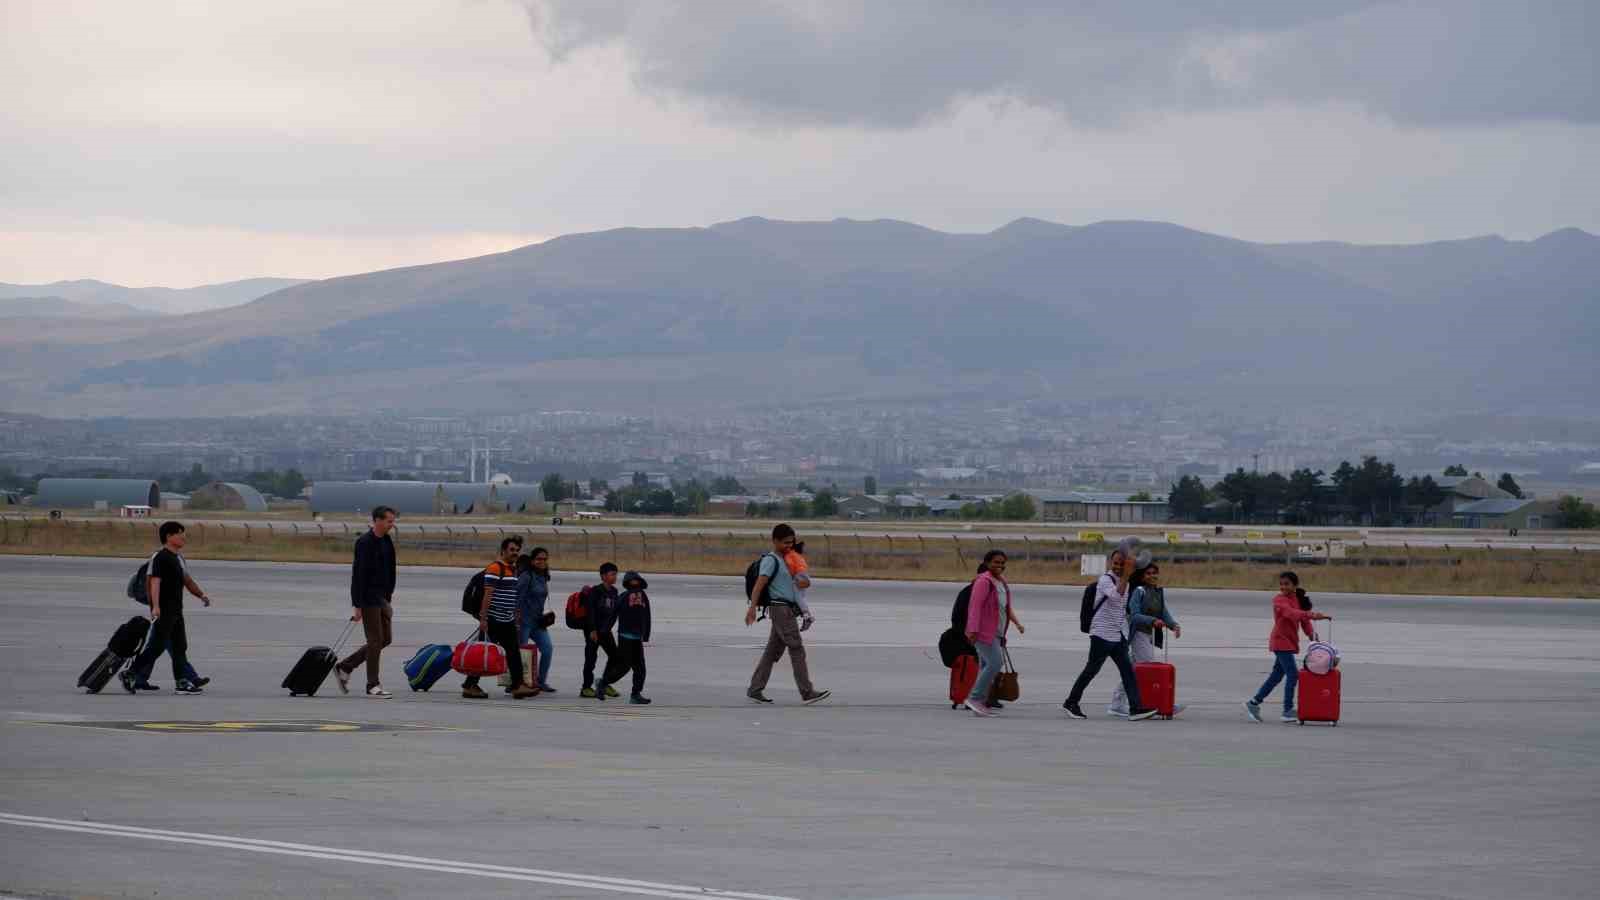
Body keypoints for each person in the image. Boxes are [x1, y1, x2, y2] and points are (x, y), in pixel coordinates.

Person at [1063, 538, 1158, 721]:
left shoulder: (1126, 582)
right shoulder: (1105, 580)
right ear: (1110, 563)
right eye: (1115, 563)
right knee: (1091, 670)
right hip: (1101, 634)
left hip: (1116, 636)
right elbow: (1115, 597)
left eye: (1122, 564)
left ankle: (1136, 708)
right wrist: (1126, 575)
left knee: (1128, 672)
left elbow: (1122, 607)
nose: (1118, 567)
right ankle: (1071, 702)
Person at [122, 521, 212, 695]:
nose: (183, 537)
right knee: (157, 646)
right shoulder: (161, 557)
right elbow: (154, 582)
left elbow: (187, 580)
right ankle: (131, 673)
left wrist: (201, 595)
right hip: (164, 610)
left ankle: (181, 682)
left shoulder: (177, 558)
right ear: (169, 536)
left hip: (176, 609)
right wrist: (155, 606)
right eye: (180, 533)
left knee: (180, 646)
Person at [746, 524, 830, 704]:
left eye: (791, 542)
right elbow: (759, 585)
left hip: (786, 609)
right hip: (780, 609)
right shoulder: (771, 560)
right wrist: (752, 608)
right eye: (785, 542)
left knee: (771, 652)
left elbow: (793, 584)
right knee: (796, 648)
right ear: (774, 540)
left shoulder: (787, 559)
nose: (789, 546)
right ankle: (807, 691)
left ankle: (755, 689)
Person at [1245, 571, 1331, 723]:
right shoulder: (1279, 600)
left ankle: (1253, 703)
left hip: (1289, 642)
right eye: (1281, 584)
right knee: (1293, 674)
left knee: (1277, 676)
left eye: (1287, 584)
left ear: (1295, 585)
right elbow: (1291, 613)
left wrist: (1312, 635)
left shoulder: (1296, 599)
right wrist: (1312, 614)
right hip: (1280, 641)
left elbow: (1304, 621)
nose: (1283, 587)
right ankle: (1287, 710)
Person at [335, 505, 397, 698]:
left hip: (382, 598)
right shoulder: (365, 542)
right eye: (389, 521)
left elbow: (391, 570)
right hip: (368, 598)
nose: (392, 525)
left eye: (393, 521)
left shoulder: (387, 541)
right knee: (375, 640)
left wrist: (388, 598)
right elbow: (358, 575)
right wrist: (358, 604)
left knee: (385, 639)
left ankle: (345, 666)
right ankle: (373, 684)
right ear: (377, 520)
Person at [1109, 561, 1184, 718]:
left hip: (1148, 634)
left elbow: (1163, 612)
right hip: (1138, 634)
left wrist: (1174, 625)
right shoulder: (1139, 591)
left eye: (1154, 573)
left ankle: (1117, 703)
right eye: (1148, 573)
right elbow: (1134, 615)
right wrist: (1152, 621)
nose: (1152, 576)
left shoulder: (1157, 592)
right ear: (1142, 576)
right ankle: (1153, 704)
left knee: (1133, 670)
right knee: (1148, 669)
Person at [463, 537, 536, 700]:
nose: (515, 553)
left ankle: (518, 686)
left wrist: (515, 614)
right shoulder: (495, 568)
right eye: (512, 550)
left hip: (507, 620)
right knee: (485, 653)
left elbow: (511, 594)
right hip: (494, 620)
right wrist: (483, 619)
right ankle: (469, 686)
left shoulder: (513, 569)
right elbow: (488, 595)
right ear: (503, 551)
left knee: (513, 653)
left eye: (517, 550)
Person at [963, 550, 1025, 717]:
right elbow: (974, 607)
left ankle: (980, 703)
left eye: (1002, 563)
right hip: (982, 632)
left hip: (997, 632)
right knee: (995, 663)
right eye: (996, 562)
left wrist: (1017, 623)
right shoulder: (983, 582)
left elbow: (1005, 607)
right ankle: (975, 698)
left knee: (985, 666)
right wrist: (973, 630)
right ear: (987, 563)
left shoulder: (1001, 582)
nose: (1000, 566)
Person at [596, 570, 652, 704]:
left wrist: (646, 635)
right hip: (625, 637)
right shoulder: (624, 596)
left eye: (637, 580)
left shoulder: (643, 595)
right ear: (627, 583)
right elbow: (613, 614)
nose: (635, 583)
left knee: (640, 667)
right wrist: (604, 630)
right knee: (624, 667)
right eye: (632, 581)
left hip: (637, 638)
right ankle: (603, 683)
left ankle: (635, 694)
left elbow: (647, 616)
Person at [516, 547, 557, 693]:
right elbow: (517, 597)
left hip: (538, 621)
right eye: (539, 559)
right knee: (521, 653)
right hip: (523, 621)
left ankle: (540, 681)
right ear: (532, 560)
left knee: (547, 649)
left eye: (545, 559)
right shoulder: (527, 576)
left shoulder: (543, 576)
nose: (542, 562)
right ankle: (516, 683)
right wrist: (516, 620)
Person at [580, 563, 621, 699]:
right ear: (603, 576)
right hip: (593, 630)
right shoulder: (595, 591)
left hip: (605, 630)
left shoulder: (615, 592)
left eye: (616, 574)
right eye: (612, 574)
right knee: (591, 658)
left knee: (615, 656)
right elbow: (590, 611)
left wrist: (608, 628)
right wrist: (592, 630)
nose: (615, 577)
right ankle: (586, 687)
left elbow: (614, 612)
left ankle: (605, 682)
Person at [784, 541, 815, 631]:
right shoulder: (798, 555)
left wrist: (793, 577)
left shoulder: (790, 554)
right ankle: (805, 614)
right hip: (804, 574)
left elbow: (790, 566)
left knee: (797, 596)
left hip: (799, 575)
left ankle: (806, 616)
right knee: (801, 596)